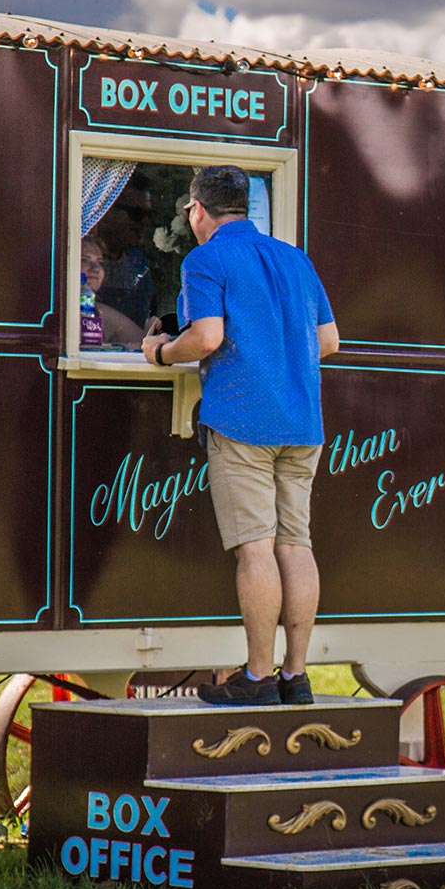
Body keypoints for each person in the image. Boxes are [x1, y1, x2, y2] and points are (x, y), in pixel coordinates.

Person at [143, 165, 339, 706]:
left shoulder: (205, 258)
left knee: (255, 549)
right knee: (295, 544)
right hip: (303, 424)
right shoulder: (295, 259)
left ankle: (256, 678)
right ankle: (295, 677)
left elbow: (206, 337)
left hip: (242, 422)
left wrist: (159, 351)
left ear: (197, 210)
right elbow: (329, 341)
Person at [96, 179, 157, 329]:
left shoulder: (138, 261)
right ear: (107, 211)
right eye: (136, 214)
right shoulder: (82, 259)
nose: (144, 222)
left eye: (148, 215)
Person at [79, 235, 144, 349]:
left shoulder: (95, 308)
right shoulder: (57, 308)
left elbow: (143, 342)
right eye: (84, 260)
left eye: (100, 262)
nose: (96, 268)